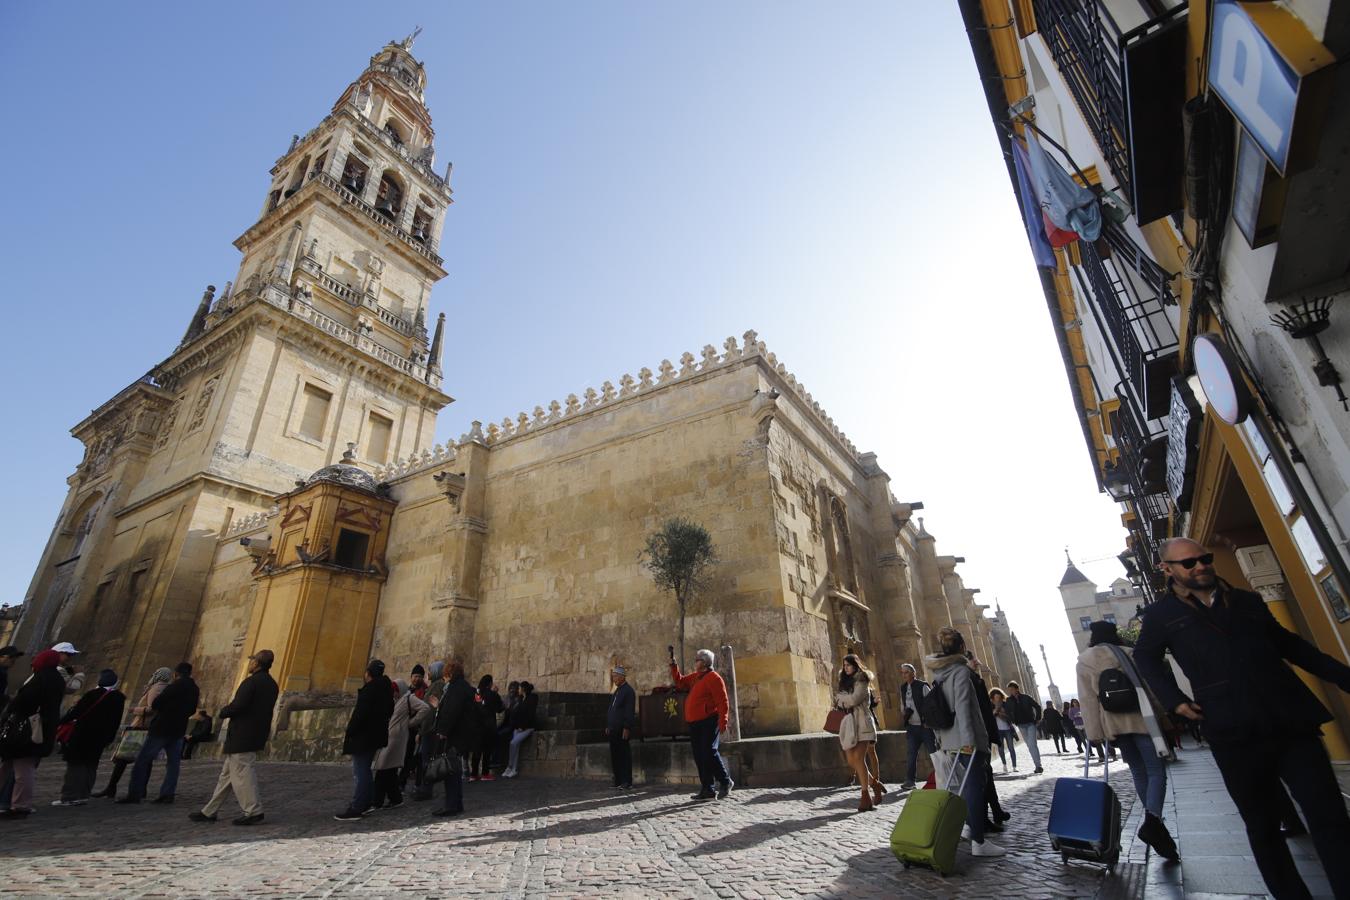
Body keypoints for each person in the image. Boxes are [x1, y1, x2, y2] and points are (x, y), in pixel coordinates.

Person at [1135, 537, 1350, 898]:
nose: (1200, 566)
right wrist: (1175, 701)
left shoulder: (1248, 601)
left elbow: (1292, 647)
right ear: (1167, 569)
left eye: (1204, 558)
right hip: (1231, 730)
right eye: (1189, 563)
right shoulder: (1161, 616)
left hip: (1290, 721)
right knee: (1262, 826)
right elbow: (1146, 658)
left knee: (1330, 817)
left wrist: (1344, 676)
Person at [1076, 621, 1179, 861]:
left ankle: (1155, 824)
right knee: (1156, 771)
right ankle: (1153, 821)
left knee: (1138, 772)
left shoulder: (1086, 659)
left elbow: (1088, 699)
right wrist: (1164, 716)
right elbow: (1149, 688)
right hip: (1141, 720)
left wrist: (1094, 733)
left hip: (1114, 724)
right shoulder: (1130, 653)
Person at [925, 627, 1003, 857]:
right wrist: (970, 741)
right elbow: (963, 708)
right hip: (966, 740)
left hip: (949, 738)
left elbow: (937, 708)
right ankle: (979, 841)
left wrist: (941, 739)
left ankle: (969, 828)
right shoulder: (960, 673)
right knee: (974, 789)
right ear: (961, 647)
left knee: (963, 788)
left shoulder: (940, 674)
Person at [190, 649, 278, 826]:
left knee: (243, 773)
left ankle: (253, 810)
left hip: (242, 734)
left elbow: (239, 705)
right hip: (255, 732)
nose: (250, 663)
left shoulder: (251, 683)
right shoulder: (272, 684)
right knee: (227, 775)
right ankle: (209, 811)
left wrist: (224, 712)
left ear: (257, 663)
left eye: (252, 660)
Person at [0, 649, 67, 817]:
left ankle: (21, 806)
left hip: (26, 729)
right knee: (10, 766)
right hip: (37, 728)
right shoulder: (56, 679)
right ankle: (17, 803)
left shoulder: (42, 678)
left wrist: (12, 703)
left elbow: (24, 701)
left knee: (22, 769)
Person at [120, 662, 198, 804]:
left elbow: (156, 704)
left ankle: (134, 793)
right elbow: (192, 710)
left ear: (176, 674)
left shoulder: (174, 686)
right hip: (179, 729)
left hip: (162, 728)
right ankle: (168, 794)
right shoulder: (194, 688)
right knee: (173, 764)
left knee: (142, 760)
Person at [94, 667, 171, 799]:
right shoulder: (166, 688)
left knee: (123, 758)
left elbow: (153, 708)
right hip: (148, 728)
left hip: (141, 728)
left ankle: (113, 787)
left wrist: (135, 709)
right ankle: (139, 789)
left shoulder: (157, 687)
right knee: (144, 761)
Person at [53, 669, 125, 806]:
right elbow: (116, 720)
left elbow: (75, 713)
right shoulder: (119, 698)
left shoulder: (92, 694)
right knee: (91, 765)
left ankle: (70, 796)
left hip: (83, 734)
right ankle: (84, 794)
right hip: (101, 737)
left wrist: (59, 722)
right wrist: (109, 737)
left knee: (75, 765)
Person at [669, 648, 732, 801]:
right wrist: (673, 665)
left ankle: (725, 781)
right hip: (695, 723)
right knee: (699, 756)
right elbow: (680, 681)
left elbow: (722, 701)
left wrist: (723, 720)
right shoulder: (696, 677)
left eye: (697, 660)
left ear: (704, 662)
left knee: (709, 751)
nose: (695, 662)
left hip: (708, 721)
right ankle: (707, 789)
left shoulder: (714, 678)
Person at [335, 659, 395, 821]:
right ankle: (367, 802)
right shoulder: (385, 690)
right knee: (365, 770)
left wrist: (350, 731)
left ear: (368, 673)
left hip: (363, 737)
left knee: (361, 772)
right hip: (375, 736)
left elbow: (359, 715)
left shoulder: (370, 690)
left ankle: (358, 806)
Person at [966, 652, 1010, 832]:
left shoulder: (971, 678)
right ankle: (980, 821)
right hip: (975, 735)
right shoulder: (968, 679)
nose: (978, 661)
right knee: (981, 778)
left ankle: (995, 811)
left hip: (980, 734)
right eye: (973, 659)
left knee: (986, 775)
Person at [371, 678, 429, 811]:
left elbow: (425, 708)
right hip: (391, 739)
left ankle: (376, 801)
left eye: (395, 691)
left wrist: (411, 722)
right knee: (390, 770)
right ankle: (395, 798)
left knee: (382, 770)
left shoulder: (409, 698)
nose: (394, 693)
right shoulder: (396, 700)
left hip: (396, 740)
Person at [430, 660, 477, 816]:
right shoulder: (465, 688)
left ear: (449, 674)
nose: (444, 679)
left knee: (450, 771)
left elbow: (452, 712)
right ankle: (456, 803)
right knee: (454, 771)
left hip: (454, 736)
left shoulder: (455, 689)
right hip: (462, 735)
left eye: (445, 676)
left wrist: (442, 731)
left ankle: (452, 805)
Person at [835, 654, 882, 812]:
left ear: (855, 665)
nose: (846, 667)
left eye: (848, 665)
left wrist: (843, 698)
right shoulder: (845, 681)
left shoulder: (862, 679)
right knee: (851, 760)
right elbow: (837, 699)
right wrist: (842, 698)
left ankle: (865, 795)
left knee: (859, 758)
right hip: (850, 725)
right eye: (844, 665)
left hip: (863, 724)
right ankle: (874, 784)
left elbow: (854, 699)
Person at [410, 660, 447, 799]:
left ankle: (426, 789)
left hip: (430, 730)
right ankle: (424, 788)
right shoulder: (435, 685)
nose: (428, 673)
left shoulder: (437, 686)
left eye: (430, 670)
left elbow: (431, 711)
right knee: (425, 760)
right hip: (429, 729)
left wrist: (422, 731)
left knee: (427, 761)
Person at [898, 663, 936, 790]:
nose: (904, 675)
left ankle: (944, 775)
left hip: (925, 726)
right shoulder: (903, 687)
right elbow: (902, 703)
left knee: (934, 752)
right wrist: (904, 713)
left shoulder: (922, 686)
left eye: (906, 672)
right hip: (912, 727)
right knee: (911, 754)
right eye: (902, 673)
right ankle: (910, 781)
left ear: (913, 673)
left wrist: (928, 721)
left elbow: (931, 704)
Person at [606, 665, 636, 790]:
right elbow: (611, 710)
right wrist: (608, 725)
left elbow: (629, 711)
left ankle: (626, 781)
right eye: (613, 676)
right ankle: (618, 780)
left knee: (624, 755)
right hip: (613, 729)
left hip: (621, 729)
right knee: (615, 755)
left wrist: (627, 727)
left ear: (622, 677)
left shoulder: (628, 691)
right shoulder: (616, 691)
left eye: (616, 676)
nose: (614, 679)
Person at [468, 675, 503, 781]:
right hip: (488, 726)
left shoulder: (475, 693)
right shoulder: (492, 694)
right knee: (487, 750)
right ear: (490, 683)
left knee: (476, 750)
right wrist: (496, 693)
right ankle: (485, 773)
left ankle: (473, 774)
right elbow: (500, 708)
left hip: (476, 726)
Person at [502, 681, 538, 779]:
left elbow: (530, 714)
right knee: (515, 746)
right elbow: (516, 713)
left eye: (520, 688)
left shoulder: (532, 698)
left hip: (528, 727)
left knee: (513, 743)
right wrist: (517, 726)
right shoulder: (521, 699)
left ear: (523, 689)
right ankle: (513, 769)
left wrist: (523, 726)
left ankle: (510, 766)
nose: (518, 690)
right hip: (519, 727)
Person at [1005, 681, 1043, 773]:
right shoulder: (1009, 700)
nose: (1011, 691)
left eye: (1012, 689)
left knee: (1032, 744)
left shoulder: (1026, 697)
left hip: (1030, 723)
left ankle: (1038, 766)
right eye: (1009, 690)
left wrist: (1038, 718)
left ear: (1017, 689)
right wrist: (1013, 720)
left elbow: (1037, 706)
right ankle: (1037, 765)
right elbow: (1007, 711)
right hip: (1021, 725)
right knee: (1029, 745)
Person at [989, 688, 1017, 772]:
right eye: (995, 697)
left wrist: (1001, 713)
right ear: (992, 698)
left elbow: (1010, 716)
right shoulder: (990, 706)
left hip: (1008, 729)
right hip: (998, 730)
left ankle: (1014, 766)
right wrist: (996, 710)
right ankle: (1004, 765)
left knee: (1011, 748)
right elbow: (990, 717)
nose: (997, 699)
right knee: (1000, 749)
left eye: (999, 697)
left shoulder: (1005, 704)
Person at [0, 646, 23, 720]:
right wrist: (9, 697)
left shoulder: (3, 671)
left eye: (15, 657)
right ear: (2, 656)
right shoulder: (1, 672)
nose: (14, 659)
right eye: (11, 657)